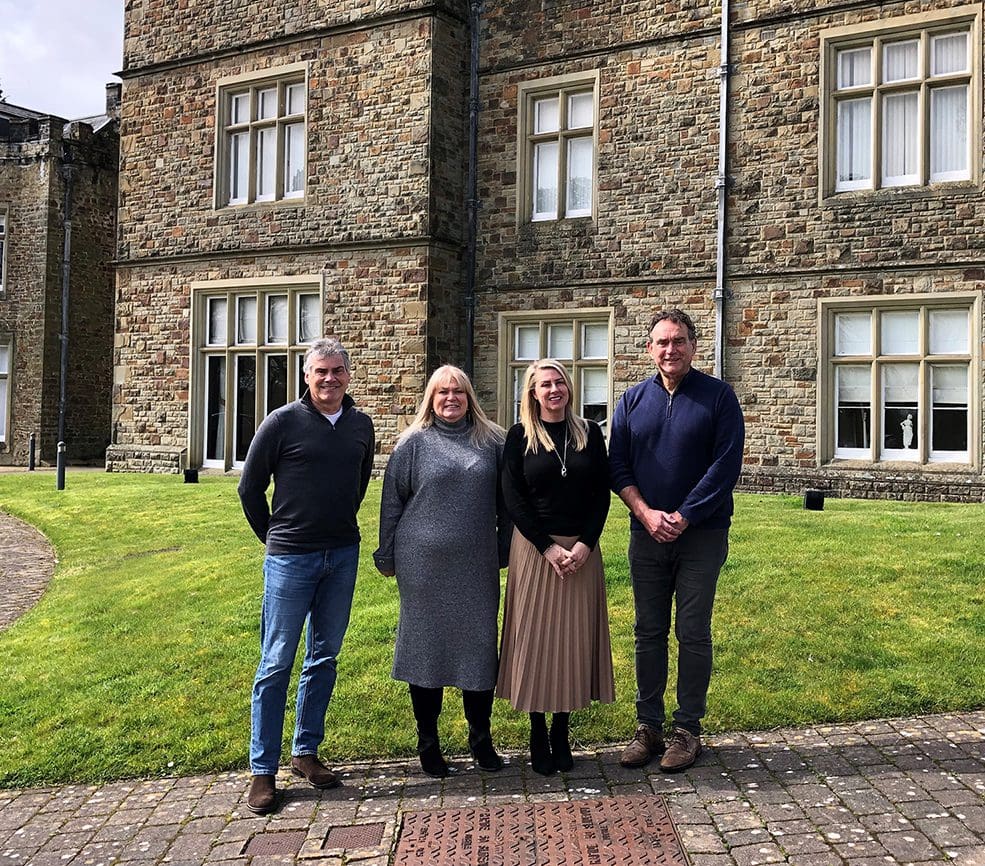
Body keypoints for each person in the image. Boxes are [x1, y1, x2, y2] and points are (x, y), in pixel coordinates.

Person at [238, 338, 375, 814]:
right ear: (306, 376)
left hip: (342, 554)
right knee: (276, 662)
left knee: (324, 656)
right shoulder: (281, 423)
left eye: (337, 371)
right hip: (290, 559)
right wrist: (275, 537)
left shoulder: (360, 425)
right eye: (321, 371)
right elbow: (249, 488)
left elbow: (359, 483)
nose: (329, 379)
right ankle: (263, 770)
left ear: (348, 376)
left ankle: (305, 752)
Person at [609, 309, 744, 773]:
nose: (671, 349)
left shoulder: (718, 398)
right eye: (662, 342)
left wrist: (684, 517)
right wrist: (645, 513)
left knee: (692, 631)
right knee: (647, 631)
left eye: (679, 341)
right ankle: (648, 727)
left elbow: (725, 466)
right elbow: (617, 465)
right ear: (650, 349)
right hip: (646, 534)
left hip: (702, 534)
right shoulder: (631, 401)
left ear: (693, 346)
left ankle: (687, 730)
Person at [373, 365, 511, 777]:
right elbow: (392, 502)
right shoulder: (412, 443)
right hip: (422, 566)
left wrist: (504, 549)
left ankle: (480, 739)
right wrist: (386, 554)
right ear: (430, 400)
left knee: (479, 649)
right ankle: (428, 742)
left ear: (470, 397)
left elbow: (508, 503)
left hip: (476, 564)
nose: (451, 398)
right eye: (442, 392)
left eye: (458, 392)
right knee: (426, 651)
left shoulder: (493, 441)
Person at [497, 359, 615, 775]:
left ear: (569, 387)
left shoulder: (590, 433)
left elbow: (601, 495)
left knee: (572, 642)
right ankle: (536, 730)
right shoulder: (519, 437)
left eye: (559, 382)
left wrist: (586, 544)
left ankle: (561, 730)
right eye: (545, 384)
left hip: (581, 552)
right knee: (535, 642)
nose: (553, 390)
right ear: (533, 392)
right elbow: (513, 499)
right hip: (535, 551)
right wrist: (547, 547)